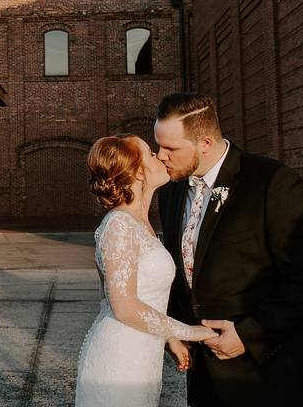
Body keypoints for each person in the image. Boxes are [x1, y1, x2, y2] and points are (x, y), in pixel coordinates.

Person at [154, 93, 303, 406]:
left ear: (206, 143)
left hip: (273, 377)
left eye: (170, 148)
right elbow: (183, 271)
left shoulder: (273, 183)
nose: (160, 156)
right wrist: (174, 330)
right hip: (207, 382)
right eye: (158, 145)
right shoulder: (171, 192)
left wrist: (248, 335)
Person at [75, 135, 216, 407]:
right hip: (120, 361)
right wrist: (189, 332)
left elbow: (143, 295)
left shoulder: (141, 223)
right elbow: (123, 306)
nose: (161, 156)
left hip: (143, 356)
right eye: (152, 154)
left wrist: (168, 337)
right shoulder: (119, 226)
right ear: (139, 171)